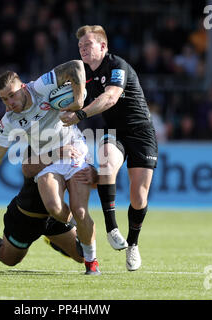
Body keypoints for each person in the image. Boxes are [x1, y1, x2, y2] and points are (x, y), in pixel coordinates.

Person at [0, 60, 101, 275]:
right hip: (48, 160)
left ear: (23, 87)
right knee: (55, 208)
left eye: (12, 95)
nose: (9, 103)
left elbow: (76, 66)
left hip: (74, 149)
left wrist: (79, 99)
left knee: (80, 209)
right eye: (4, 99)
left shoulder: (41, 87)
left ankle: (92, 264)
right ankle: (74, 227)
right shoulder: (9, 121)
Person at [60, 25, 158, 271]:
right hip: (114, 133)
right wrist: (62, 111)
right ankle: (112, 229)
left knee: (139, 197)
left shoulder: (117, 66)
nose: (83, 49)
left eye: (88, 44)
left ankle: (133, 245)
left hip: (141, 133)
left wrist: (80, 114)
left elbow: (110, 97)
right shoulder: (83, 73)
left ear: (103, 46)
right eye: (80, 46)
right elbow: (78, 100)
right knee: (105, 164)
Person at [0, 149, 98, 269]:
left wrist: (93, 172)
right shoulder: (35, 142)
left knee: (82, 256)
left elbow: (90, 177)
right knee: (9, 259)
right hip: (26, 219)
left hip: (55, 217)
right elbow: (27, 169)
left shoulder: (73, 142)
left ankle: (52, 239)